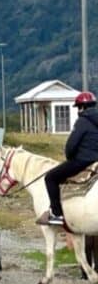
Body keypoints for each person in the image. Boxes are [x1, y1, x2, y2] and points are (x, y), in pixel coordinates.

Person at [39, 91, 98, 226]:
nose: (78, 110)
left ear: (82, 107)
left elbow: (71, 145)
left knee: (50, 177)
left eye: (78, 107)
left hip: (83, 160)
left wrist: (70, 157)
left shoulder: (82, 121)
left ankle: (57, 214)